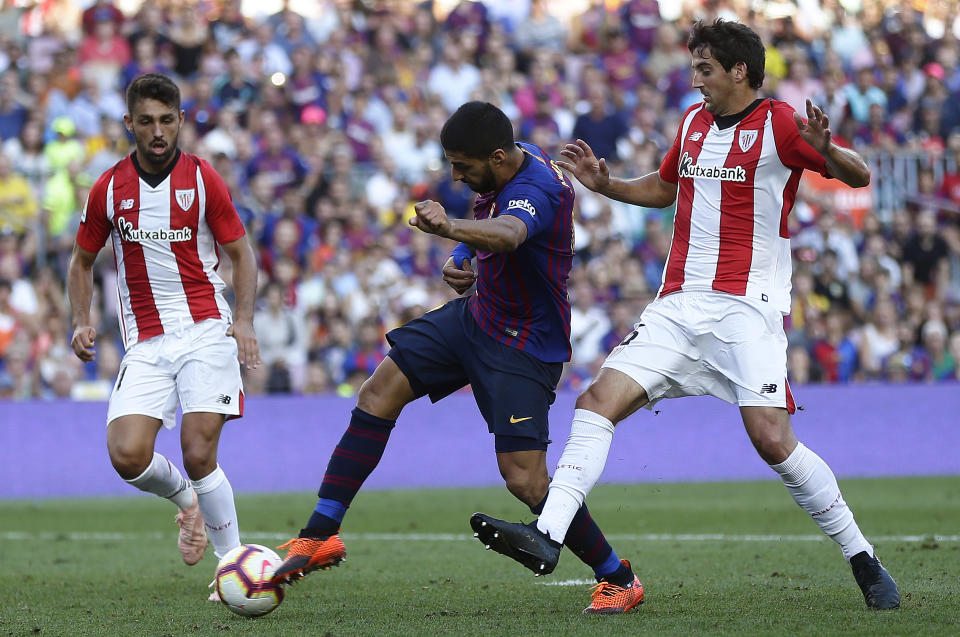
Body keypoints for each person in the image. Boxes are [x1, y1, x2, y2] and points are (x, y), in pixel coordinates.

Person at [470, 19, 900, 611]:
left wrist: (828, 150)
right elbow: (664, 186)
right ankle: (547, 537)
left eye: (705, 68)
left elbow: (859, 174)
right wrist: (606, 183)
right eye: (694, 67)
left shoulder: (776, 122)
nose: (695, 79)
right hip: (678, 304)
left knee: (772, 439)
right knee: (596, 404)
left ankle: (863, 558)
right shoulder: (695, 124)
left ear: (738, 71)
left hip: (747, 307)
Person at [271, 101, 643, 614]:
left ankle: (617, 577)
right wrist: (465, 256)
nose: (454, 174)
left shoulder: (537, 188)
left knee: (525, 478)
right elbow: (490, 224)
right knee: (379, 390)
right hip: (476, 317)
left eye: (462, 165)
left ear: (496, 156)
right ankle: (320, 535)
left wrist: (449, 231)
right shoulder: (510, 160)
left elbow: (511, 233)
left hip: (523, 343)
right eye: (450, 162)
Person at [67, 73, 261, 601]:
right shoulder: (109, 188)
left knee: (199, 451)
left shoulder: (203, 181)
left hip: (205, 328)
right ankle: (187, 504)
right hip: (146, 343)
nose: (157, 132)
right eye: (146, 121)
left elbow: (242, 256)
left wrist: (242, 321)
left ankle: (233, 569)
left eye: (167, 121)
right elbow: (82, 262)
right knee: (127, 455)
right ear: (130, 123)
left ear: (180, 122)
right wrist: (82, 320)